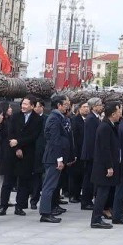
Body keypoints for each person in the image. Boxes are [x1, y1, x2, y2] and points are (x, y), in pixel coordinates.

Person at [38, 95, 72, 224]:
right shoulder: (54, 119)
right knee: (49, 186)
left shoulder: (58, 117)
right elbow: (54, 140)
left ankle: (48, 211)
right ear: (58, 105)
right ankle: (45, 213)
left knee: (51, 185)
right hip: (53, 157)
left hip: (55, 156)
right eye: (65, 105)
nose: (67, 107)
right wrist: (59, 159)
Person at [90, 102, 123, 228]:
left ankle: (97, 218)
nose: (120, 113)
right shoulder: (104, 127)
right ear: (113, 113)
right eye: (119, 111)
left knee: (104, 193)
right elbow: (105, 149)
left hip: (107, 166)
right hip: (103, 168)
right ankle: (96, 219)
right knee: (101, 194)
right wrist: (109, 166)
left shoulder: (110, 125)